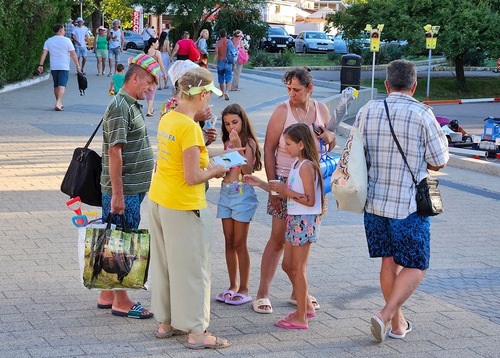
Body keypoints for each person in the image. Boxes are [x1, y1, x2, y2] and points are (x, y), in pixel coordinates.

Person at [353, 59, 449, 343]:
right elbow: (439, 160)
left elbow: (356, 153)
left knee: (388, 261)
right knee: (417, 264)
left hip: (373, 203)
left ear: (386, 84)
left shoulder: (368, 110)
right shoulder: (423, 114)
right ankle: (384, 315)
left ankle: (397, 325)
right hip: (407, 205)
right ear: (414, 85)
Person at [148, 66, 231, 350]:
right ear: (203, 94)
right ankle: (197, 331)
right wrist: (217, 171)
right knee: (194, 268)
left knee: (165, 264)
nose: (209, 101)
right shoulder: (189, 128)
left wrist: (216, 158)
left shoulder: (169, 118)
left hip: (159, 199)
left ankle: (165, 322)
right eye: (209, 96)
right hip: (185, 206)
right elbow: (193, 176)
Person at [252, 67, 336, 314]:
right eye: (288, 89)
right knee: (278, 239)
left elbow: (330, 141)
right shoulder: (282, 111)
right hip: (284, 182)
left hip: (311, 185)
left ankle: (297, 290)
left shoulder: (321, 110)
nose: (291, 94)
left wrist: (330, 136)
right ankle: (262, 293)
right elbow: (268, 149)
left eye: (296, 90)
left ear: (310, 88)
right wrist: (272, 187)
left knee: (303, 240)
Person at [98, 53, 160, 320]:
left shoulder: (130, 103)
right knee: (124, 241)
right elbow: (115, 153)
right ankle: (122, 301)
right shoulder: (120, 106)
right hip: (124, 191)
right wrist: (119, 196)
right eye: (149, 82)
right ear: (135, 77)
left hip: (132, 188)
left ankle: (107, 293)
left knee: (116, 239)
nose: (151, 88)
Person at [244, 122, 324, 329]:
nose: (285, 148)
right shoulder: (296, 164)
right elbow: (284, 192)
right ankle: (305, 307)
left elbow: (309, 199)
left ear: (300, 144)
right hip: (295, 219)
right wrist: (260, 183)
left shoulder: (306, 166)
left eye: (288, 144)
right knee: (288, 266)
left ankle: (302, 316)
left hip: (304, 221)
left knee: (297, 269)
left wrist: (285, 191)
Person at [215, 104, 262, 306]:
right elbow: (227, 168)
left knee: (240, 243)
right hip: (226, 193)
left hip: (242, 194)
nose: (231, 127)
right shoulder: (228, 142)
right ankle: (232, 285)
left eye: (234, 122)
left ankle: (244, 288)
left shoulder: (248, 142)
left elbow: (249, 168)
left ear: (242, 120)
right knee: (228, 240)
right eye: (226, 124)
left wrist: (237, 146)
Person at [37, 24, 80, 111]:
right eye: (63, 29)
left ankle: (58, 102)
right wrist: (77, 65)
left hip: (54, 66)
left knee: (56, 85)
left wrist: (40, 65)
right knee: (62, 85)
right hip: (64, 66)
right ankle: (58, 102)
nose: (64, 31)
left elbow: (44, 53)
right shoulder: (67, 41)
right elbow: (73, 54)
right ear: (60, 30)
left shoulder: (49, 41)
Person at [144, 37, 168, 116]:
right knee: (152, 92)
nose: (158, 44)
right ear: (153, 43)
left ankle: (150, 108)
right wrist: (164, 74)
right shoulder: (157, 53)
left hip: (146, 74)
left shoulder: (145, 52)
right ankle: (149, 110)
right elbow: (161, 65)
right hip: (154, 75)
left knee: (149, 92)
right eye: (157, 43)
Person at [211, 29, 232, 101]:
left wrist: (213, 63)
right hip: (228, 61)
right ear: (226, 35)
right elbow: (232, 51)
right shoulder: (229, 42)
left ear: (220, 35)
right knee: (228, 77)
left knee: (220, 78)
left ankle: (222, 93)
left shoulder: (218, 43)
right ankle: (227, 91)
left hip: (220, 62)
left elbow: (216, 53)